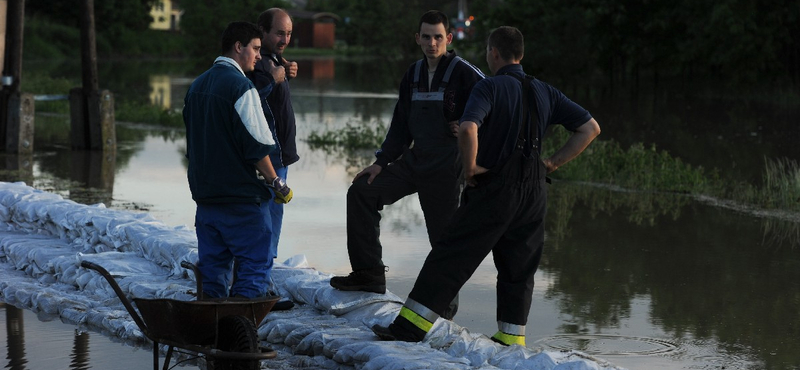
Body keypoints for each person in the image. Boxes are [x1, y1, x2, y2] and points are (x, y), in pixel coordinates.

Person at [372, 26, 601, 346]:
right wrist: (551, 164)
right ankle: (511, 339)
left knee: (450, 255)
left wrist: (469, 170)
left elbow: (467, 129)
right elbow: (590, 128)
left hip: (495, 186)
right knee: (519, 267)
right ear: (520, 54)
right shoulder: (547, 91)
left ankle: (408, 328)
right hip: (535, 191)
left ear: (493, 53)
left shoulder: (490, 87)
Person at [329, 10, 485, 320]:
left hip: (446, 165)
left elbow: (498, 103)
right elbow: (400, 125)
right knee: (362, 191)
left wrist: (472, 126)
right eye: (426, 37)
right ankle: (369, 274)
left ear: (448, 38)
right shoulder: (412, 75)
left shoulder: (465, 72)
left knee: (442, 237)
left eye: (438, 37)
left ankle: (444, 309)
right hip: (415, 159)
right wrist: (381, 162)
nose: (432, 43)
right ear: (417, 38)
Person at [183, 21, 293, 299]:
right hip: (241, 199)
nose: (258, 56)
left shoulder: (197, 85)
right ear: (238, 47)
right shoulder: (241, 87)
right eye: (255, 49)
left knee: (212, 271)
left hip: (206, 198)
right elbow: (256, 148)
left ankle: (212, 331)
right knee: (255, 266)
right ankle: (240, 331)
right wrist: (277, 183)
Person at [247, 8, 300, 264]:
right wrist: (273, 77)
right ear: (263, 30)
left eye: (289, 34)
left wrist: (284, 68)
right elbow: (248, 103)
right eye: (280, 33)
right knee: (263, 224)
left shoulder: (275, 60)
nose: (285, 39)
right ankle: (258, 284)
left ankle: (264, 278)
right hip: (267, 161)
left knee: (272, 224)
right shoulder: (257, 63)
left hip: (280, 158)